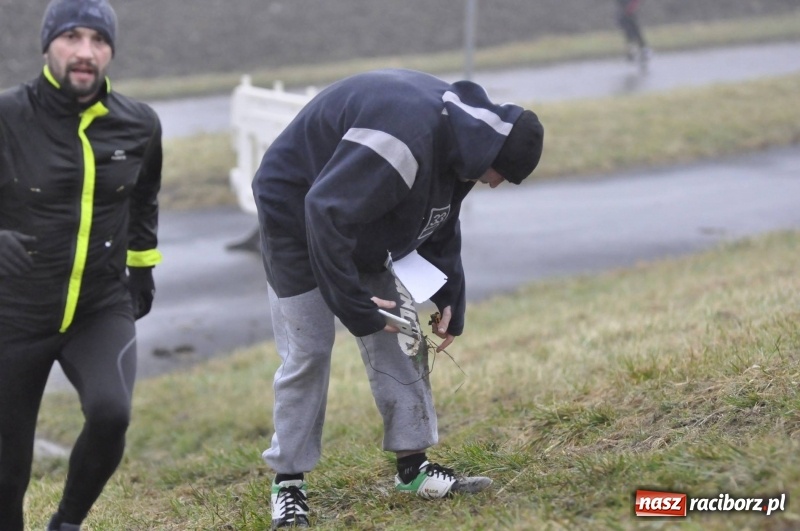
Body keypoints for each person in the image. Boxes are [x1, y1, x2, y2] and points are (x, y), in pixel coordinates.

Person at [252, 68, 544, 528]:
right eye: (501, 174)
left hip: (355, 215)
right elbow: (323, 210)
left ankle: (414, 469)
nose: (495, 183)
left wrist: (451, 294)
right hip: (296, 212)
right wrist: (354, 304)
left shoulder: (463, 144)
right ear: (491, 152)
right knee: (308, 350)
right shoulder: (404, 138)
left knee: (402, 336)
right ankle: (288, 483)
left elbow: (440, 219)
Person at [0, 0, 163, 529]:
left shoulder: (139, 125)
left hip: (98, 304)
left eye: (98, 40)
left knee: (112, 414)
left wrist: (142, 269)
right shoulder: (7, 116)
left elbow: (143, 202)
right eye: (72, 38)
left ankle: (67, 522)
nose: (85, 53)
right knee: (7, 470)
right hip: (13, 312)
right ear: (48, 45)